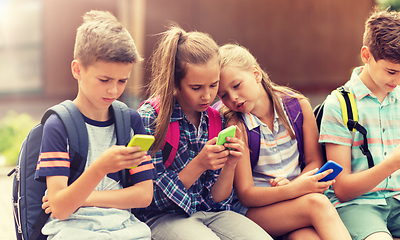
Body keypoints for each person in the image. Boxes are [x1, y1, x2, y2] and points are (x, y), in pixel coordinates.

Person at [135, 25, 272, 240]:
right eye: (196, 88)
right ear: (175, 82)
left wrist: (230, 165)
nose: (207, 96)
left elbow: (217, 201)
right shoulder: (151, 118)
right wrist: (199, 164)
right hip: (161, 217)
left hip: (210, 214)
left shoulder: (215, 119)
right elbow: (150, 197)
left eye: (213, 86)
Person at [35, 10, 156, 239]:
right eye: (104, 80)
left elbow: (143, 195)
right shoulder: (58, 125)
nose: (114, 90)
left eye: (122, 81)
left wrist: (86, 198)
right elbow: (60, 209)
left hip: (126, 231)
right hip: (73, 232)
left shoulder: (131, 121)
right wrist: (100, 168)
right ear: (77, 69)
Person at [217, 43, 352, 240]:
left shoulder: (298, 106)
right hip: (254, 213)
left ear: (256, 74)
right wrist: (295, 189)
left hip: (295, 201)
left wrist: (295, 185)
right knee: (318, 204)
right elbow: (246, 194)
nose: (233, 98)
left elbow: (315, 161)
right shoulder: (237, 125)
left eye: (236, 85)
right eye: (224, 95)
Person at [319, 9, 400, 240]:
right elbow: (342, 189)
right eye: (391, 71)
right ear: (366, 55)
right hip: (358, 205)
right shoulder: (338, 104)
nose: (397, 80)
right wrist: (392, 163)